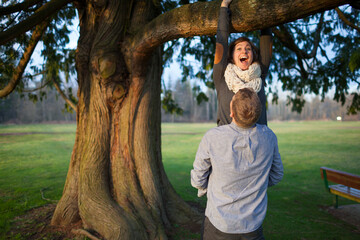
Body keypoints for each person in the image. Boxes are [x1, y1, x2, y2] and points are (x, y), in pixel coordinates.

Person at [191, 88, 284, 240]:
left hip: (220, 224)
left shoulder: (213, 137)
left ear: (232, 113)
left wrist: (206, 188)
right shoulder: (269, 137)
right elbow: (277, 175)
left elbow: (197, 179)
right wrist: (255, 186)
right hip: (251, 225)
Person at [214, 0, 272, 126]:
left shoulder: (259, 74)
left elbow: (266, 39)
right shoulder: (222, 76)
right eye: (239, 48)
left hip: (257, 142)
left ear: (253, 56)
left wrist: (264, 7)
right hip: (227, 142)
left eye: (248, 48)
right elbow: (221, 40)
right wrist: (224, 6)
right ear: (232, 56)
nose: (244, 51)